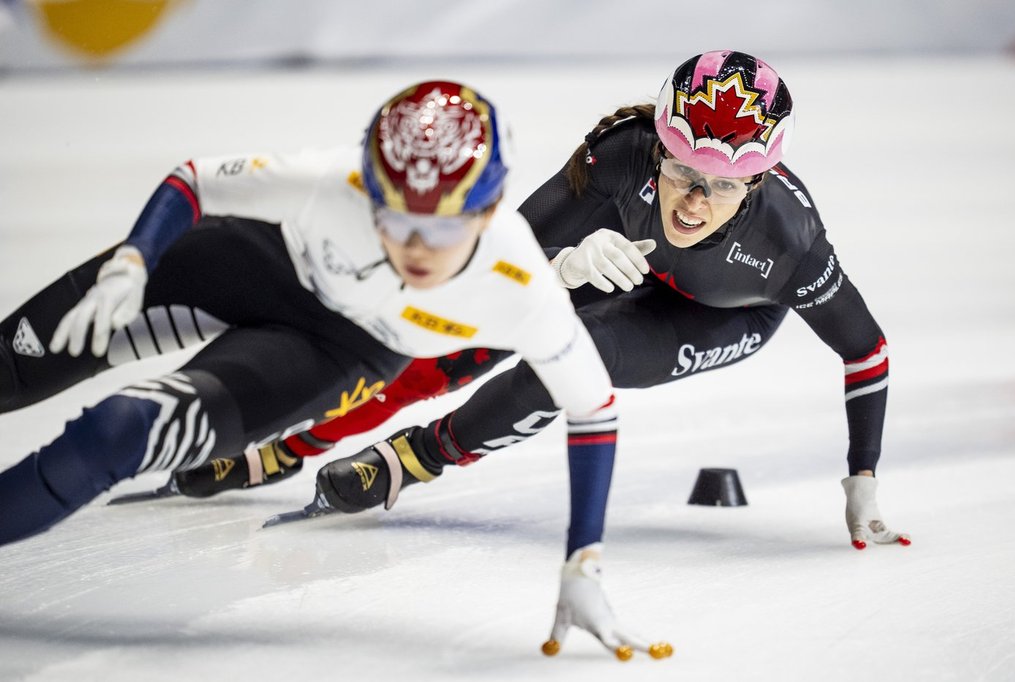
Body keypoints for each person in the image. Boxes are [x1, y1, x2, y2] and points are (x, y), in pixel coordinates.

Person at [153, 51, 910, 653]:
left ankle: (413, 460)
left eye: (720, 187)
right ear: (660, 147)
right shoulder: (621, 155)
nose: (691, 202)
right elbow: (482, 269)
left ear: (760, 181)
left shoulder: (790, 244)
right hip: (614, 261)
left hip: (720, 318)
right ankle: (296, 435)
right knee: (470, 333)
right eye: (680, 171)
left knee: (587, 356)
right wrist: (562, 265)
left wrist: (863, 479)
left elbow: (866, 350)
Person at [1, 80, 677, 653]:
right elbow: (194, 180)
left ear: (488, 209)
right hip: (250, 265)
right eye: (391, 216)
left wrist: (583, 560)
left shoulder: (519, 280)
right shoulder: (340, 178)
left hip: (329, 353)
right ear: (369, 182)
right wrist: (135, 260)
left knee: (121, 430)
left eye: (441, 227)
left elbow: (593, 407)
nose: (412, 247)